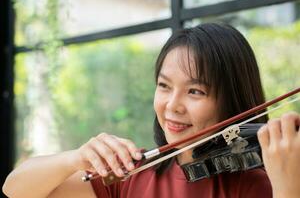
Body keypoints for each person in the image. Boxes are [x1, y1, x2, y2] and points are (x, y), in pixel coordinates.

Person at [2, 23, 300, 198]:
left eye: (195, 91)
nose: (172, 106)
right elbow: (14, 190)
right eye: (164, 86)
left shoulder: (252, 185)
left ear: (230, 99)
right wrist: (75, 158)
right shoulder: (134, 173)